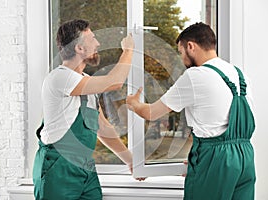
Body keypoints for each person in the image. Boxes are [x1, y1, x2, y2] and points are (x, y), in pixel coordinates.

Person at [126, 22, 256, 200]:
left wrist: (134, 104)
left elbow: (151, 113)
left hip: (214, 159)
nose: (182, 59)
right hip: (245, 158)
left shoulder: (195, 76)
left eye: (181, 52)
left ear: (190, 46)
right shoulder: (240, 74)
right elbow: (220, 121)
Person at [33, 19, 142, 200]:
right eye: (92, 38)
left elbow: (103, 128)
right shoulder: (60, 78)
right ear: (79, 49)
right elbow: (114, 82)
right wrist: (129, 50)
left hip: (85, 169)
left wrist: (130, 160)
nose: (98, 43)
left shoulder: (86, 83)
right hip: (59, 168)